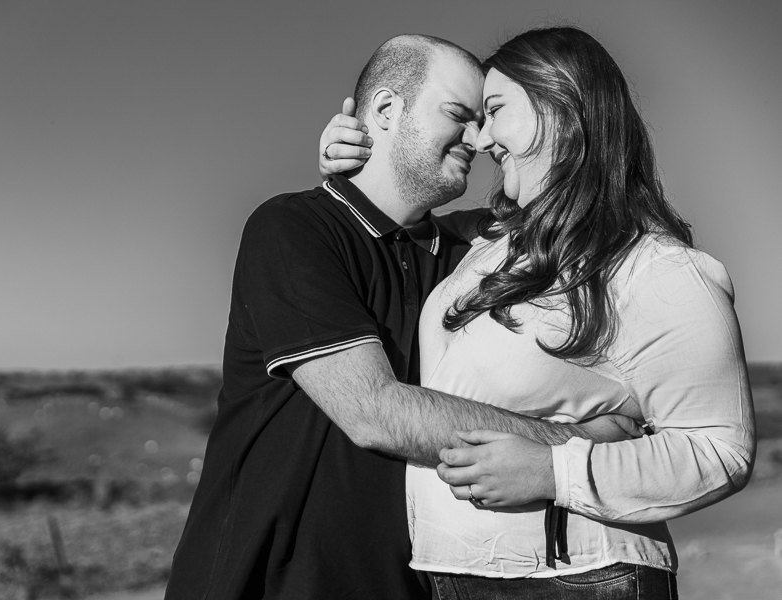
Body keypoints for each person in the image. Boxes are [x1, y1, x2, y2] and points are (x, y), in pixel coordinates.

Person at [164, 34, 640, 600]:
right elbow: (373, 411)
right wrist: (576, 446)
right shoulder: (292, 229)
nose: (480, 138)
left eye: (487, 119)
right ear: (388, 110)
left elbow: (575, 212)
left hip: (414, 584)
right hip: (268, 580)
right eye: (460, 115)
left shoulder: (470, 258)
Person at [318, 26, 754, 600]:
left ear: (560, 107)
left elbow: (720, 452)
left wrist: (555, 470)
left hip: (580, 580)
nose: (482, 137)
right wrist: (352, 169)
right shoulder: (487, 248)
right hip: (451, 577)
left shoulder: (660, 272)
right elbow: (383, 228)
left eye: (495, 110)